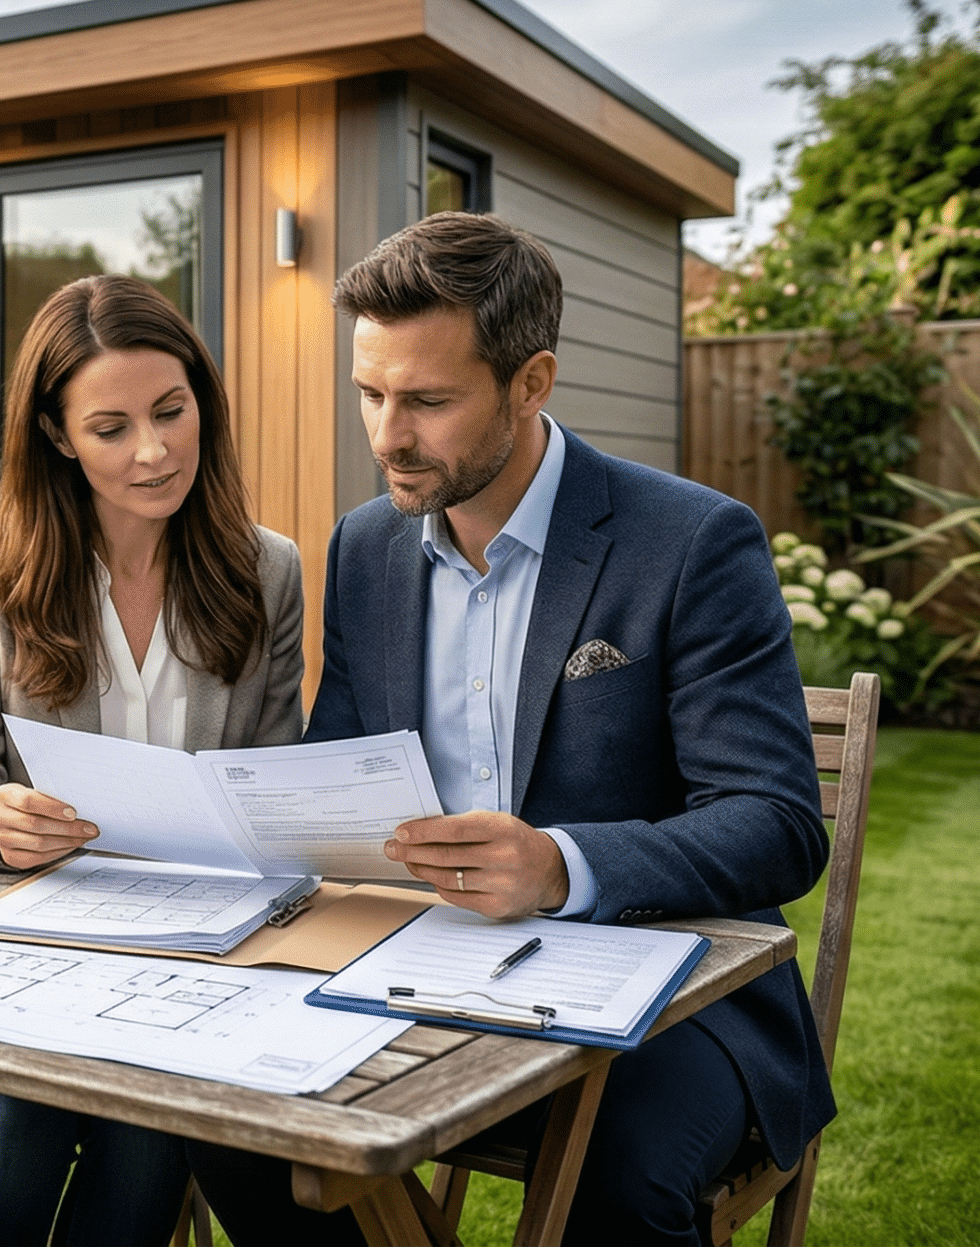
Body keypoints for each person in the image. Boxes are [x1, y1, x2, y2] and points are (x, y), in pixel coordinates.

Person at [186, 212, 836, 1246]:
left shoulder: (691, 542)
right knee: (226, 1118)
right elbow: (339, 772)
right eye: (370, 392)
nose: (387, 435)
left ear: (530, 383)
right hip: (420, 967)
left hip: (667, 991)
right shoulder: (368, 546)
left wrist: (559, 864)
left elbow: (776, 825)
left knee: (611, 1181)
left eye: (427, 401)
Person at [0, 273, 308, 1246]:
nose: (153, 450)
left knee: (147, 1136)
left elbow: (272, 775)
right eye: (111, 427)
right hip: (35, 925)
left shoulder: (266, 569)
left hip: (199, 936)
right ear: (55, 435)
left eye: (172, 412)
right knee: (13, 1120)